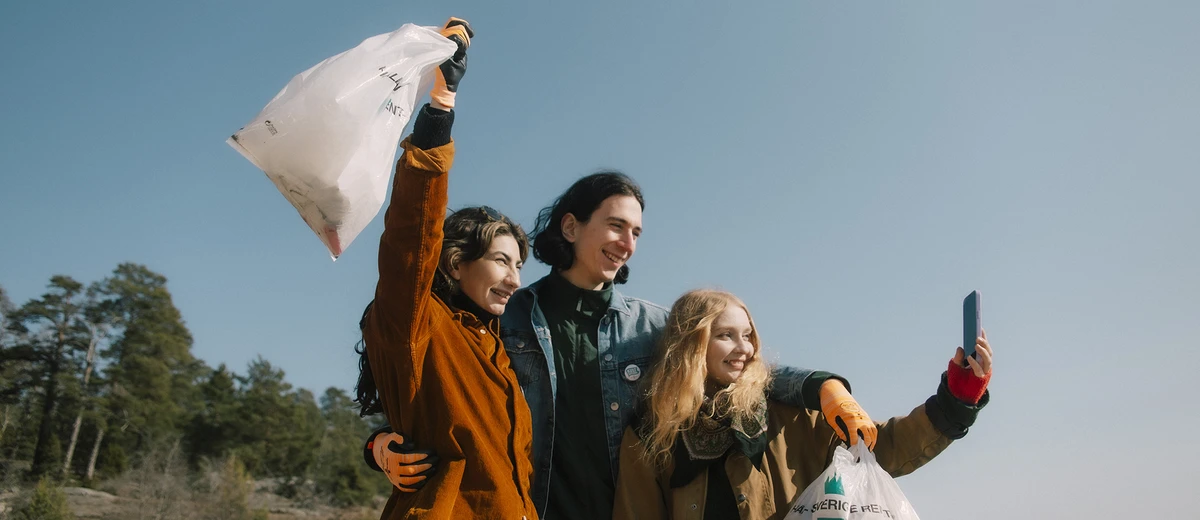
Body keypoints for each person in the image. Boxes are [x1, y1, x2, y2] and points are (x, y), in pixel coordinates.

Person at [369, 172, 879, 519]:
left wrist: (825, 387)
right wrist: (379, 446)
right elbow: (433, 387)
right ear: (570, 225)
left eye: (635, 231)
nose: (627, 242)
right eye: (615, 224)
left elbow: (744, 366)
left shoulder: (653, 327)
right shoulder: (506, 318)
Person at [354, 18, 538, 518]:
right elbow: (411, 239)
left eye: (518, 265)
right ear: (456, 264)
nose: (514, 279)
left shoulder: (497, 349)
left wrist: (376, 446)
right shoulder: (418, 322)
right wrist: (441, 106)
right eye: (501, 260)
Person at [612, 290, 992, 519]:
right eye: (725, 335)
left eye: (748, 335)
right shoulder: (651, 434)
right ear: (691, 345)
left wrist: (957, 400)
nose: (744, 348)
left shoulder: (787, 416)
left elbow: (886, 447)